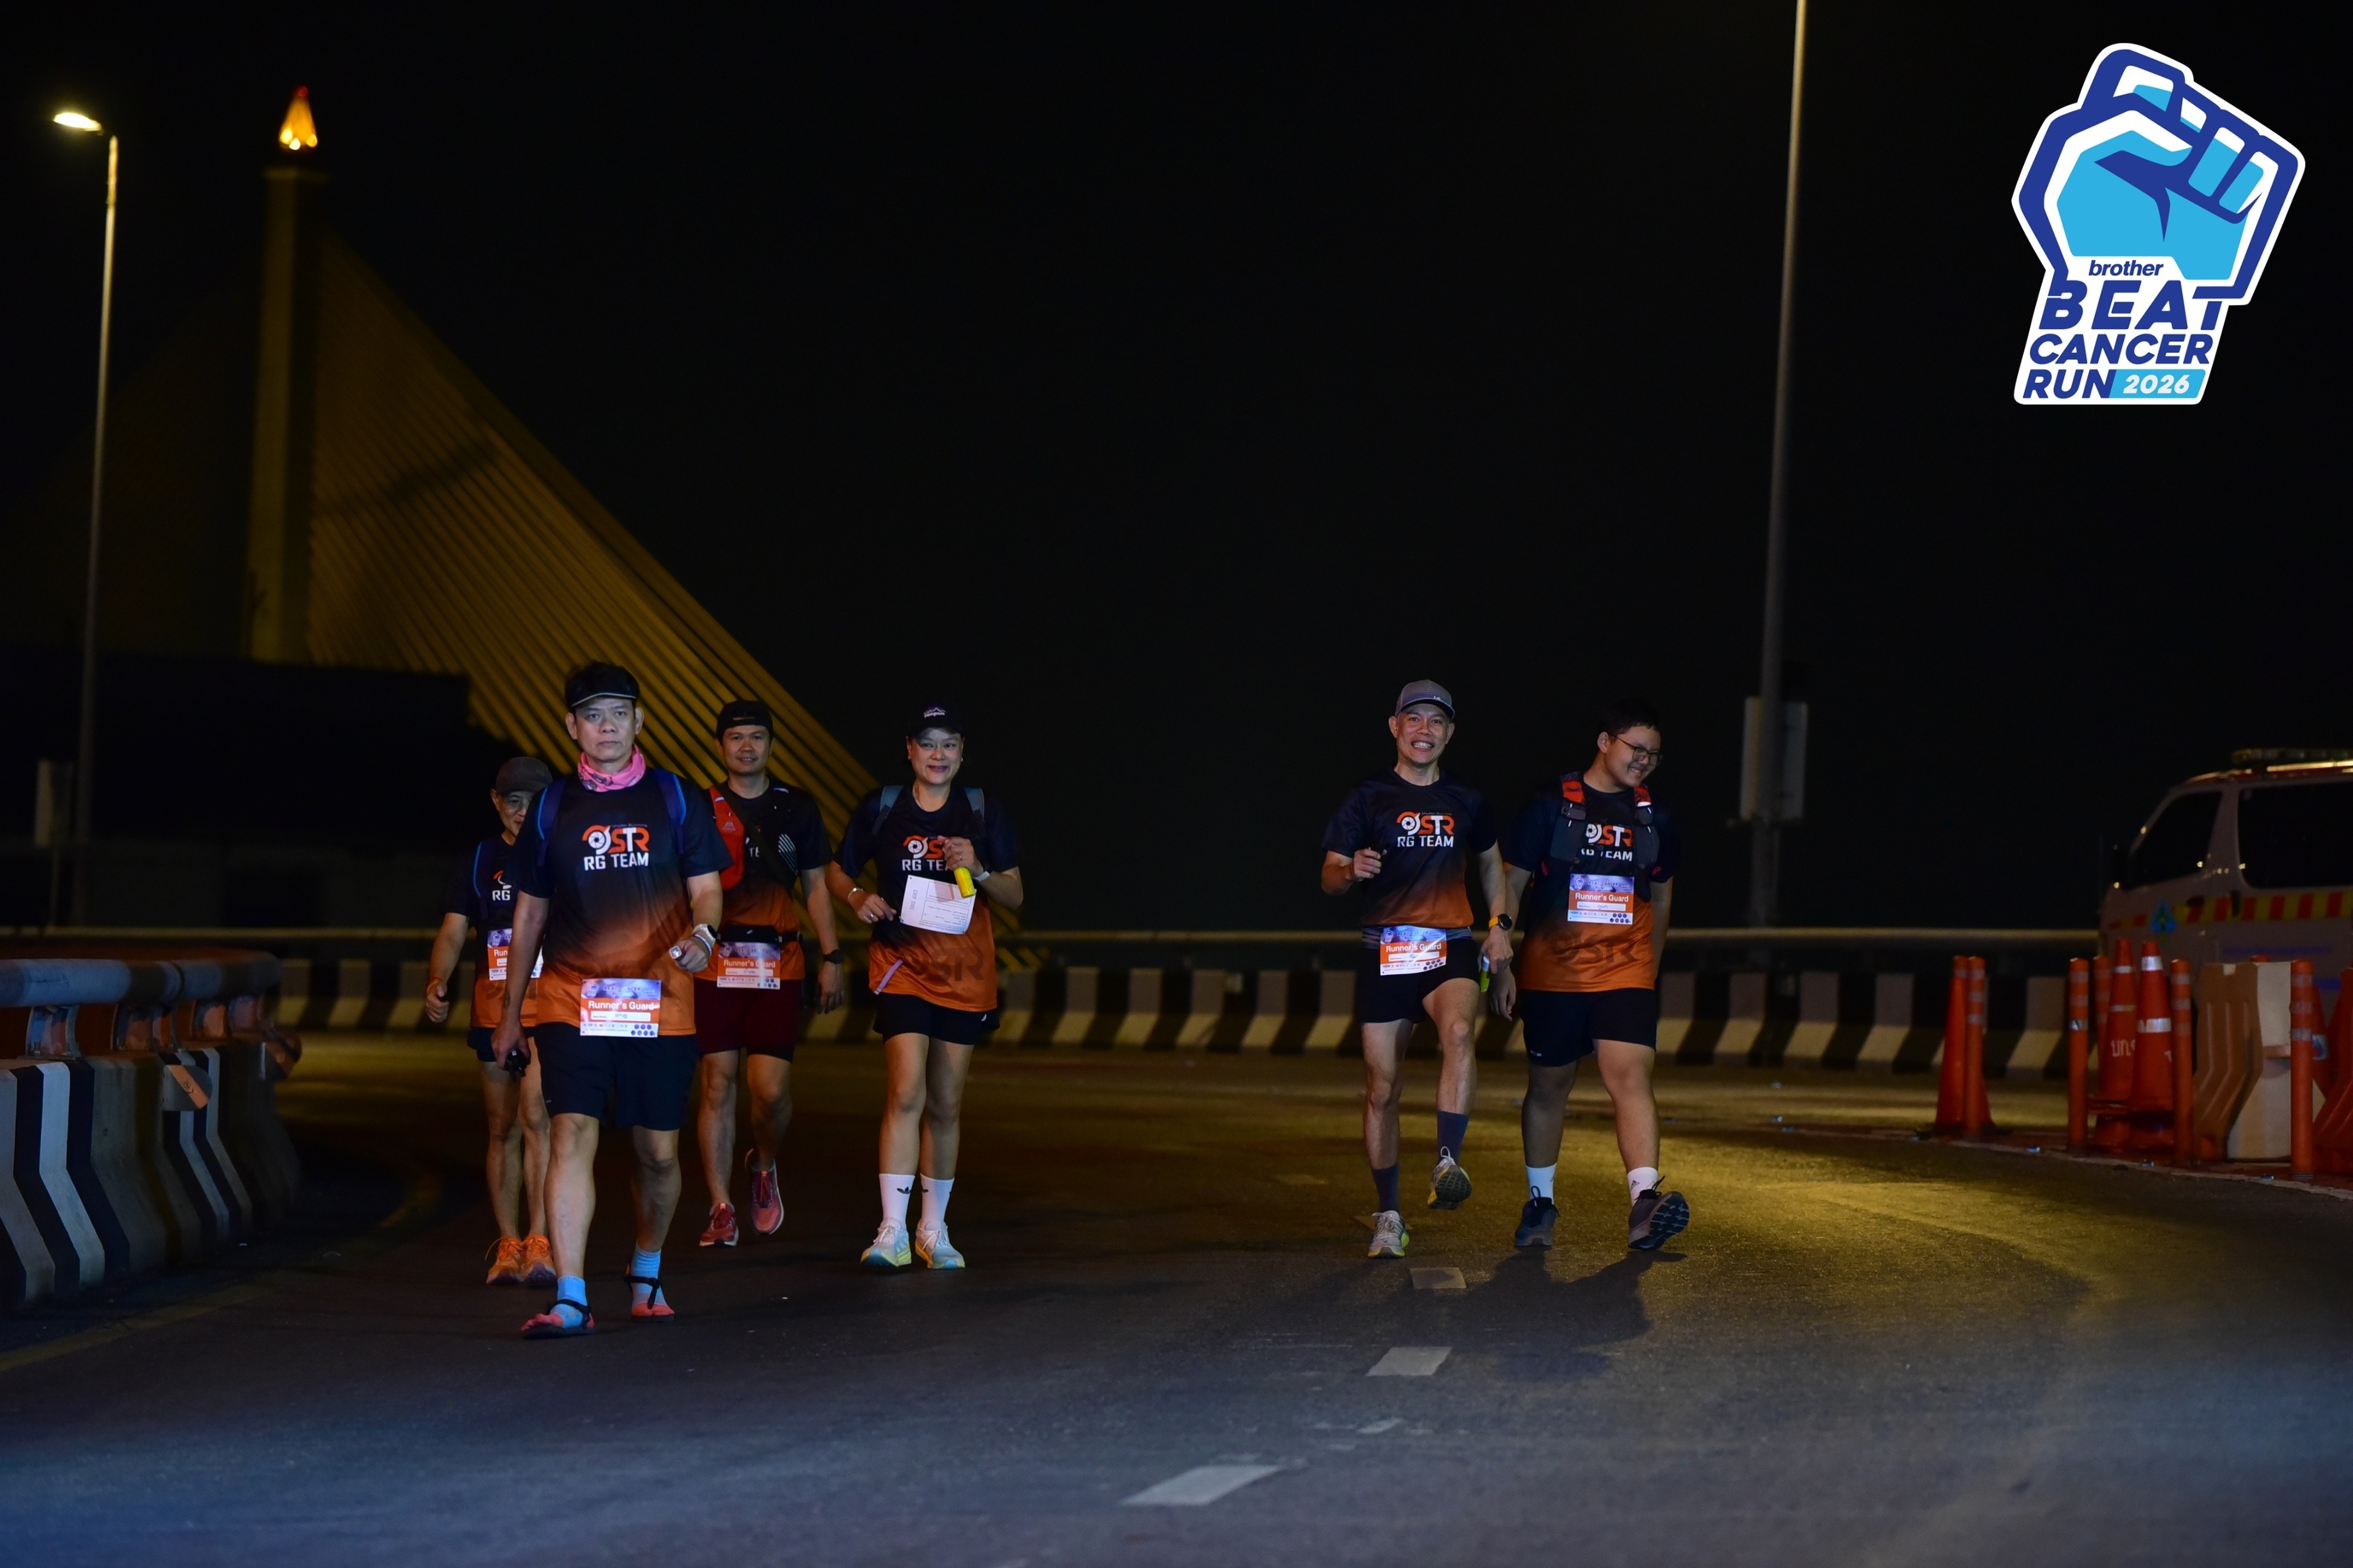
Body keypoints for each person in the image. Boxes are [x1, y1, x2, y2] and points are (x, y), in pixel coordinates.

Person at [496, 663, 732, 1337]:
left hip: (661, 1002)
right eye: (594, 715)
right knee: (571, 1131)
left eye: (619, 714)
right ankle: (571, 1294)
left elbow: (708, 889)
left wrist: (705, 934)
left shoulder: (675, 797)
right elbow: (529, 916)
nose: (607, 727)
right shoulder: (552, 807)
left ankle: (646, 1264)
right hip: (572, 998)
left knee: (657, 1153)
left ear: (640, 721)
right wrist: (511, 1014)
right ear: (572, 726)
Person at [826, 702, 1022, 1271]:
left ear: (962, 753)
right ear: (909, 749)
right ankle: (891, 1230)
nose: (939, 755)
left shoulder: (981, 810)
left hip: (965, 974)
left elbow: (1014, 894)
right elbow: (838, 869)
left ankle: (933, 1231)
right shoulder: (883, 807)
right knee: (906, 1092)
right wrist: (857, 898)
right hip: (902, 966)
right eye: (928, 743)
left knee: (945, 1101)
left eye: (949, 744)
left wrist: (979, 869)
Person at [1319, 680, 1511, 1260]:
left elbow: (1491, 865)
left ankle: (1447, 1160)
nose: (1424, 730)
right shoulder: (1367, 796)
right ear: (1395, 727)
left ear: (1449, 733)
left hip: (1449, 943)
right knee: (1382, 1089)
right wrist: (1350, 869)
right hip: (1387, 949)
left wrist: (1499, 924)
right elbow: (1329, 875)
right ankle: (1389, 1215)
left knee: (1459, 1031)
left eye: (1436, 721)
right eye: (1414, 719)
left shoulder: (1467, 799)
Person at [1490, 696, 1688, 1252]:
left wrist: (1649, 968)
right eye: (1636, 748)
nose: (1644, 761)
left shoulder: (1656, 818)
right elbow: (1510, 882)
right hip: (1553, 974)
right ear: (1605, 742)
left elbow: (1663, 897)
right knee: (1549, 1087)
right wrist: (1501, 957)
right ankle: (1540, 1202)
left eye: (1654, 754)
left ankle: (1645, 1201)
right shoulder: (1550, 806)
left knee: (1631, 1078)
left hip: (1625, 973)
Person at [691, 699, 846, 1247]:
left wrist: (832, 958)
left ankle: (763, 1163)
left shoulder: (796, 808)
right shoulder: (700, 808)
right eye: (736, 737)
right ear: (720, 746)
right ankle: (720, 1206)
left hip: (777, 963)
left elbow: (817, 888)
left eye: (757, 737)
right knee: (717, 1083)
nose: (747, 747)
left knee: (770, 1092)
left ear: (772, 745)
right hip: (715, 962)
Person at [425, 755, 558, 1289]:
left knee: (537, 1116)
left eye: (533, 801)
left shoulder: (561, 853)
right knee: (502, 1129)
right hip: (493, 1011)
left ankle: (541, 1239)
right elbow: (454, 930)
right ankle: (508, 1242)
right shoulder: (479, 860)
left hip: (550, 1009)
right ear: (497, 803)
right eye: (514, 801)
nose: (523, 812)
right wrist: (437, 980)